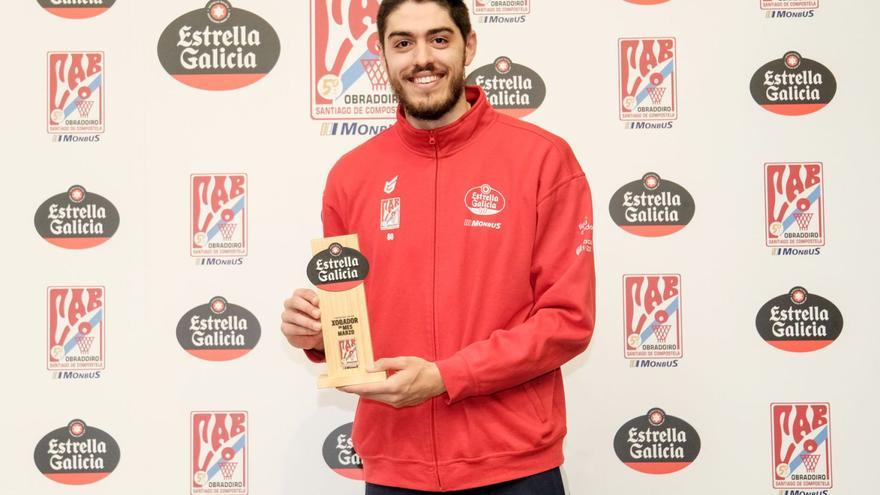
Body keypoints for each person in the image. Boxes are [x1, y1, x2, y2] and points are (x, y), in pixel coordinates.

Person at [282, 1, 595, 493]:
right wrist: (316, 333)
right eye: (402, 43)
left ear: (469, 45)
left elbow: (567, 321)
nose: (421, 58)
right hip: (394, 464)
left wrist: (448, 376)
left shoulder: (542, 159)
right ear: (382, 55)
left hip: (513, 466)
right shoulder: (351, 176)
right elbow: (351, 317)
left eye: (439, 39)